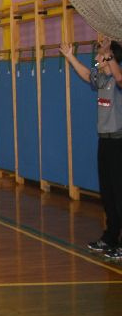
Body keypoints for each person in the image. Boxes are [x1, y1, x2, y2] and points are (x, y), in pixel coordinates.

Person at [61, 36, 122, 259]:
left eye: (100, 55)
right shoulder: (102, 78)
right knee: (108, 193)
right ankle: (111, 237)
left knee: (120, 194)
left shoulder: (117, 80)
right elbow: (89, 74)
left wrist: (108, 53)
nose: (96, 57)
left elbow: (119, 77)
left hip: (119, 142)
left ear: (110, 58)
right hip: (105, 141)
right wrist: (70, 57)